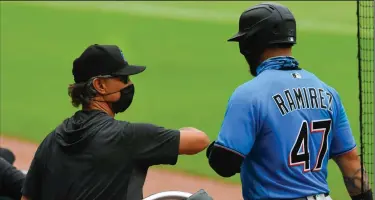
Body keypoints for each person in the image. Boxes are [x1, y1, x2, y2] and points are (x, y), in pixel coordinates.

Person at [206, 2, 373, 200]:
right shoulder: (328, 92)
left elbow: (225, 165)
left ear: (250, 45)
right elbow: (351, 164)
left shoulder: (249, 94)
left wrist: (212, 150)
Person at [21, 44, 210, 200]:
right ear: (100, 85)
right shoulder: (128, 137)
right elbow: (199, 141)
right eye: (123, 79)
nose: (129, 85)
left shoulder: (52, 140)